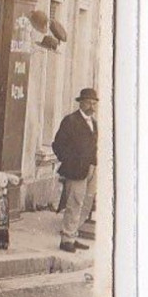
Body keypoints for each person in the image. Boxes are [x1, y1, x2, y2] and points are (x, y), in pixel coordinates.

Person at [52, 87, 98, 252]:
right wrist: (71, 162)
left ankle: (73, 234)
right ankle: (66, 240)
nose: (91, 107)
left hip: (91, 170)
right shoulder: (70, 121)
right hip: (75, 171)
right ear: (81, 103)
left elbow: (94, 148)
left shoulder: (94, 123)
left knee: (86, 204)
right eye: (88, 103)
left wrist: (93, 165)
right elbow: (57, 145)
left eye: (94, 103)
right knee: (74, 203)